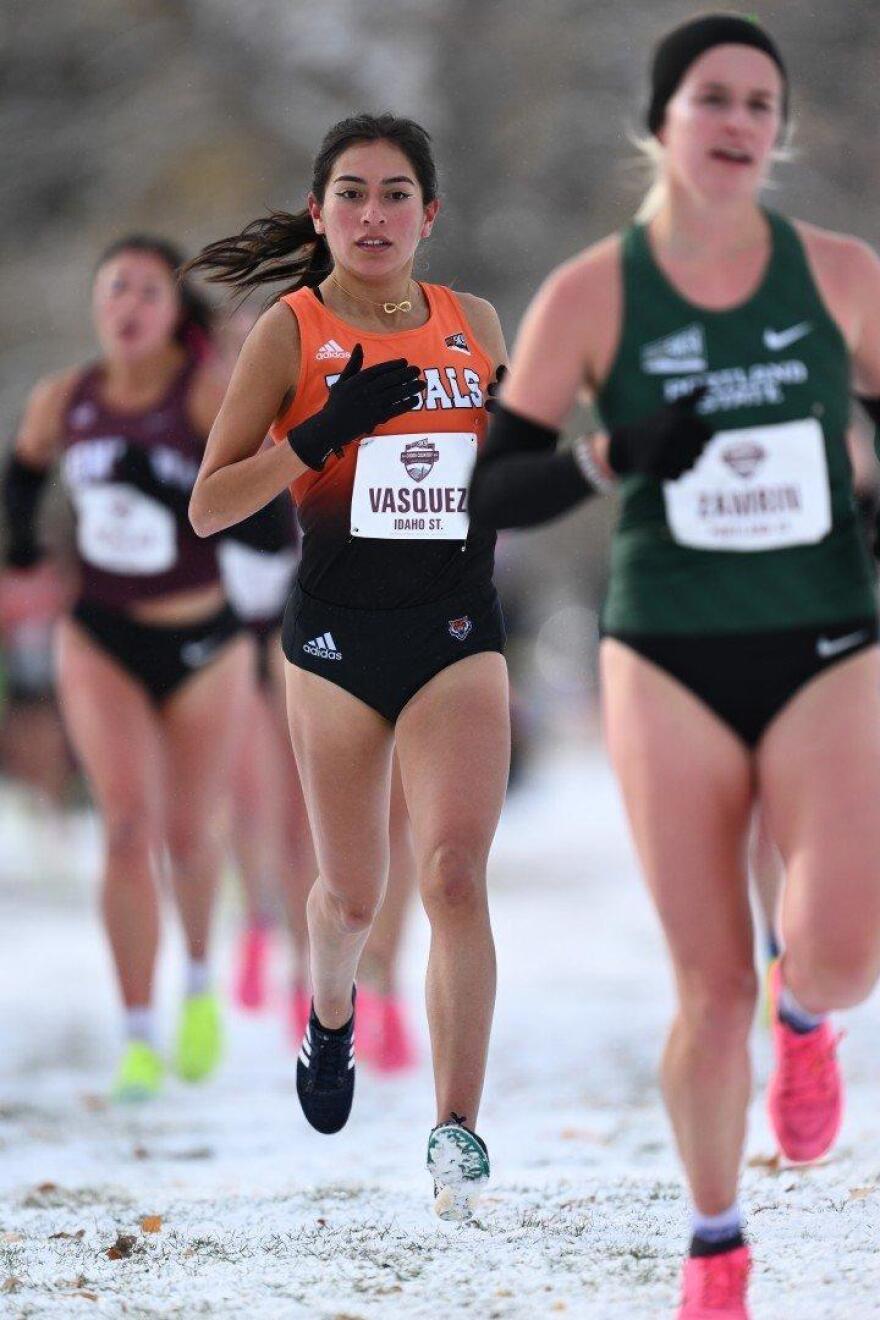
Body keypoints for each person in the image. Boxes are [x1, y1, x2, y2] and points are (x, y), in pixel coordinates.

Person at [468, 15, 880, 1317]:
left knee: (843, 951)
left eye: (762, 102)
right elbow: (495, 488)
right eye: (714, 96)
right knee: (707, 984)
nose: (739, 120)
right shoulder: (593, 293)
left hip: (824, 634)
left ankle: (806, 1020)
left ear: (780, 131)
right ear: (661, 121)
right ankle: (716, 1248)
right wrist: (613, 453)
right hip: (666, 652)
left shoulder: (842, 276)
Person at [187, 113, 510, 1218]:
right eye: (352, 194)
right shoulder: (292, 329)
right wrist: (320, 434)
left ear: (430, 213)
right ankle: (331, 1017)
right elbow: (210, 503)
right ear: (320, 212)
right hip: (333, 645)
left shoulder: (474, 322)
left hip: (457, 632)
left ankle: (456, 1131)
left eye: (395, 194)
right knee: (352, 895)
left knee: (453, 872)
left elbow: (514, 462)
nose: (374, 215)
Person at [1, 235, 253, 1100]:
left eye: (149, 291)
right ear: (96, 304)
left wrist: (163, 492)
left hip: (203, 638)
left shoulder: (206, 393)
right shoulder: (64, 398)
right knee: (125, 827)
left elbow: (261, 518)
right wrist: (23, 549)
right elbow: (22, 475)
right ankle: (138, 1035)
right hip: (100, 634)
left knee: (189, 830)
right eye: (117, 288)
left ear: (175, 314)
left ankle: (198, 984)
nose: (130, 305)